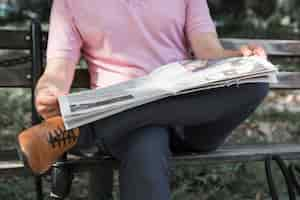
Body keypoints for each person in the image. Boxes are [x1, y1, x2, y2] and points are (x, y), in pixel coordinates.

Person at [18, 0, 269, 200]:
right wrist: (47, 90)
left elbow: (208, 51)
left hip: (191, 121)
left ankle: (86, 129)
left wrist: (240, 60)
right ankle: (95, 127)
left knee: (255, 82)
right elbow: (58, 68)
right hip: (130, 130)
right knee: (145, 141)